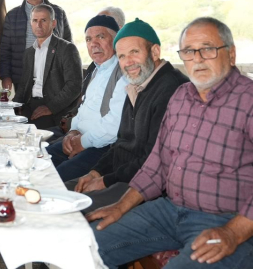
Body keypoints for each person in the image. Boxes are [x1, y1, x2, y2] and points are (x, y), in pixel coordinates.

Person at [89, 17, 253, 269]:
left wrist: (232, 232)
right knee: (83, 246)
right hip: (170, 212)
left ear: (231, 54)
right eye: (189, 51)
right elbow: (157, 164)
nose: (197, 59)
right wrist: (120, 207)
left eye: (208, 49)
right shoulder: (180, 97)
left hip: (235, 222)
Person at [74, 19, 188, 212]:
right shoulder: (138, 84)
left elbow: (152, 160)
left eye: (134, 52)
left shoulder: (172, 89)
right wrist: (96, 172)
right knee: (58, 192)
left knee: (72, 208)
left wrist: (105, 181)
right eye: (122, 56)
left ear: (155, 52)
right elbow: (122, 143)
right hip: (122, 177)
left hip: (144, 190)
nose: (128, 62)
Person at [45, 14, 128, 182]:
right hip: (79, 138)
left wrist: (82, 142)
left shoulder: (124, 73)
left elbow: (113, 127)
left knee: (54, 180)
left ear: (115, 41)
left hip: (103, 147)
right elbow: (83, 109)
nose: (93, 44)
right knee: (36, 161)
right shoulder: (96, 70)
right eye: (89, 39)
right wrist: (73, 131)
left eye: (100, 37)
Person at [0, 0, 72, 91]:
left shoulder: (58, 13)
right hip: (22, 76)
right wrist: (5, 76)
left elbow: (68, 45)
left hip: (53, 76)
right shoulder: (12, 16)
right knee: (23, 104)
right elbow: (5, 49)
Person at [14, 4, 83, 129]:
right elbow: (24, 85)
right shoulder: (29, 52)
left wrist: (50, 107)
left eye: (43, 20)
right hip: (29, 105)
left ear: (53, 23)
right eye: (35, 20)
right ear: (31, 23)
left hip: (54, 109)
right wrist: (12, 106)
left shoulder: (66, 49)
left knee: (30, 132)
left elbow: (74, 86)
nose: (39, 25)